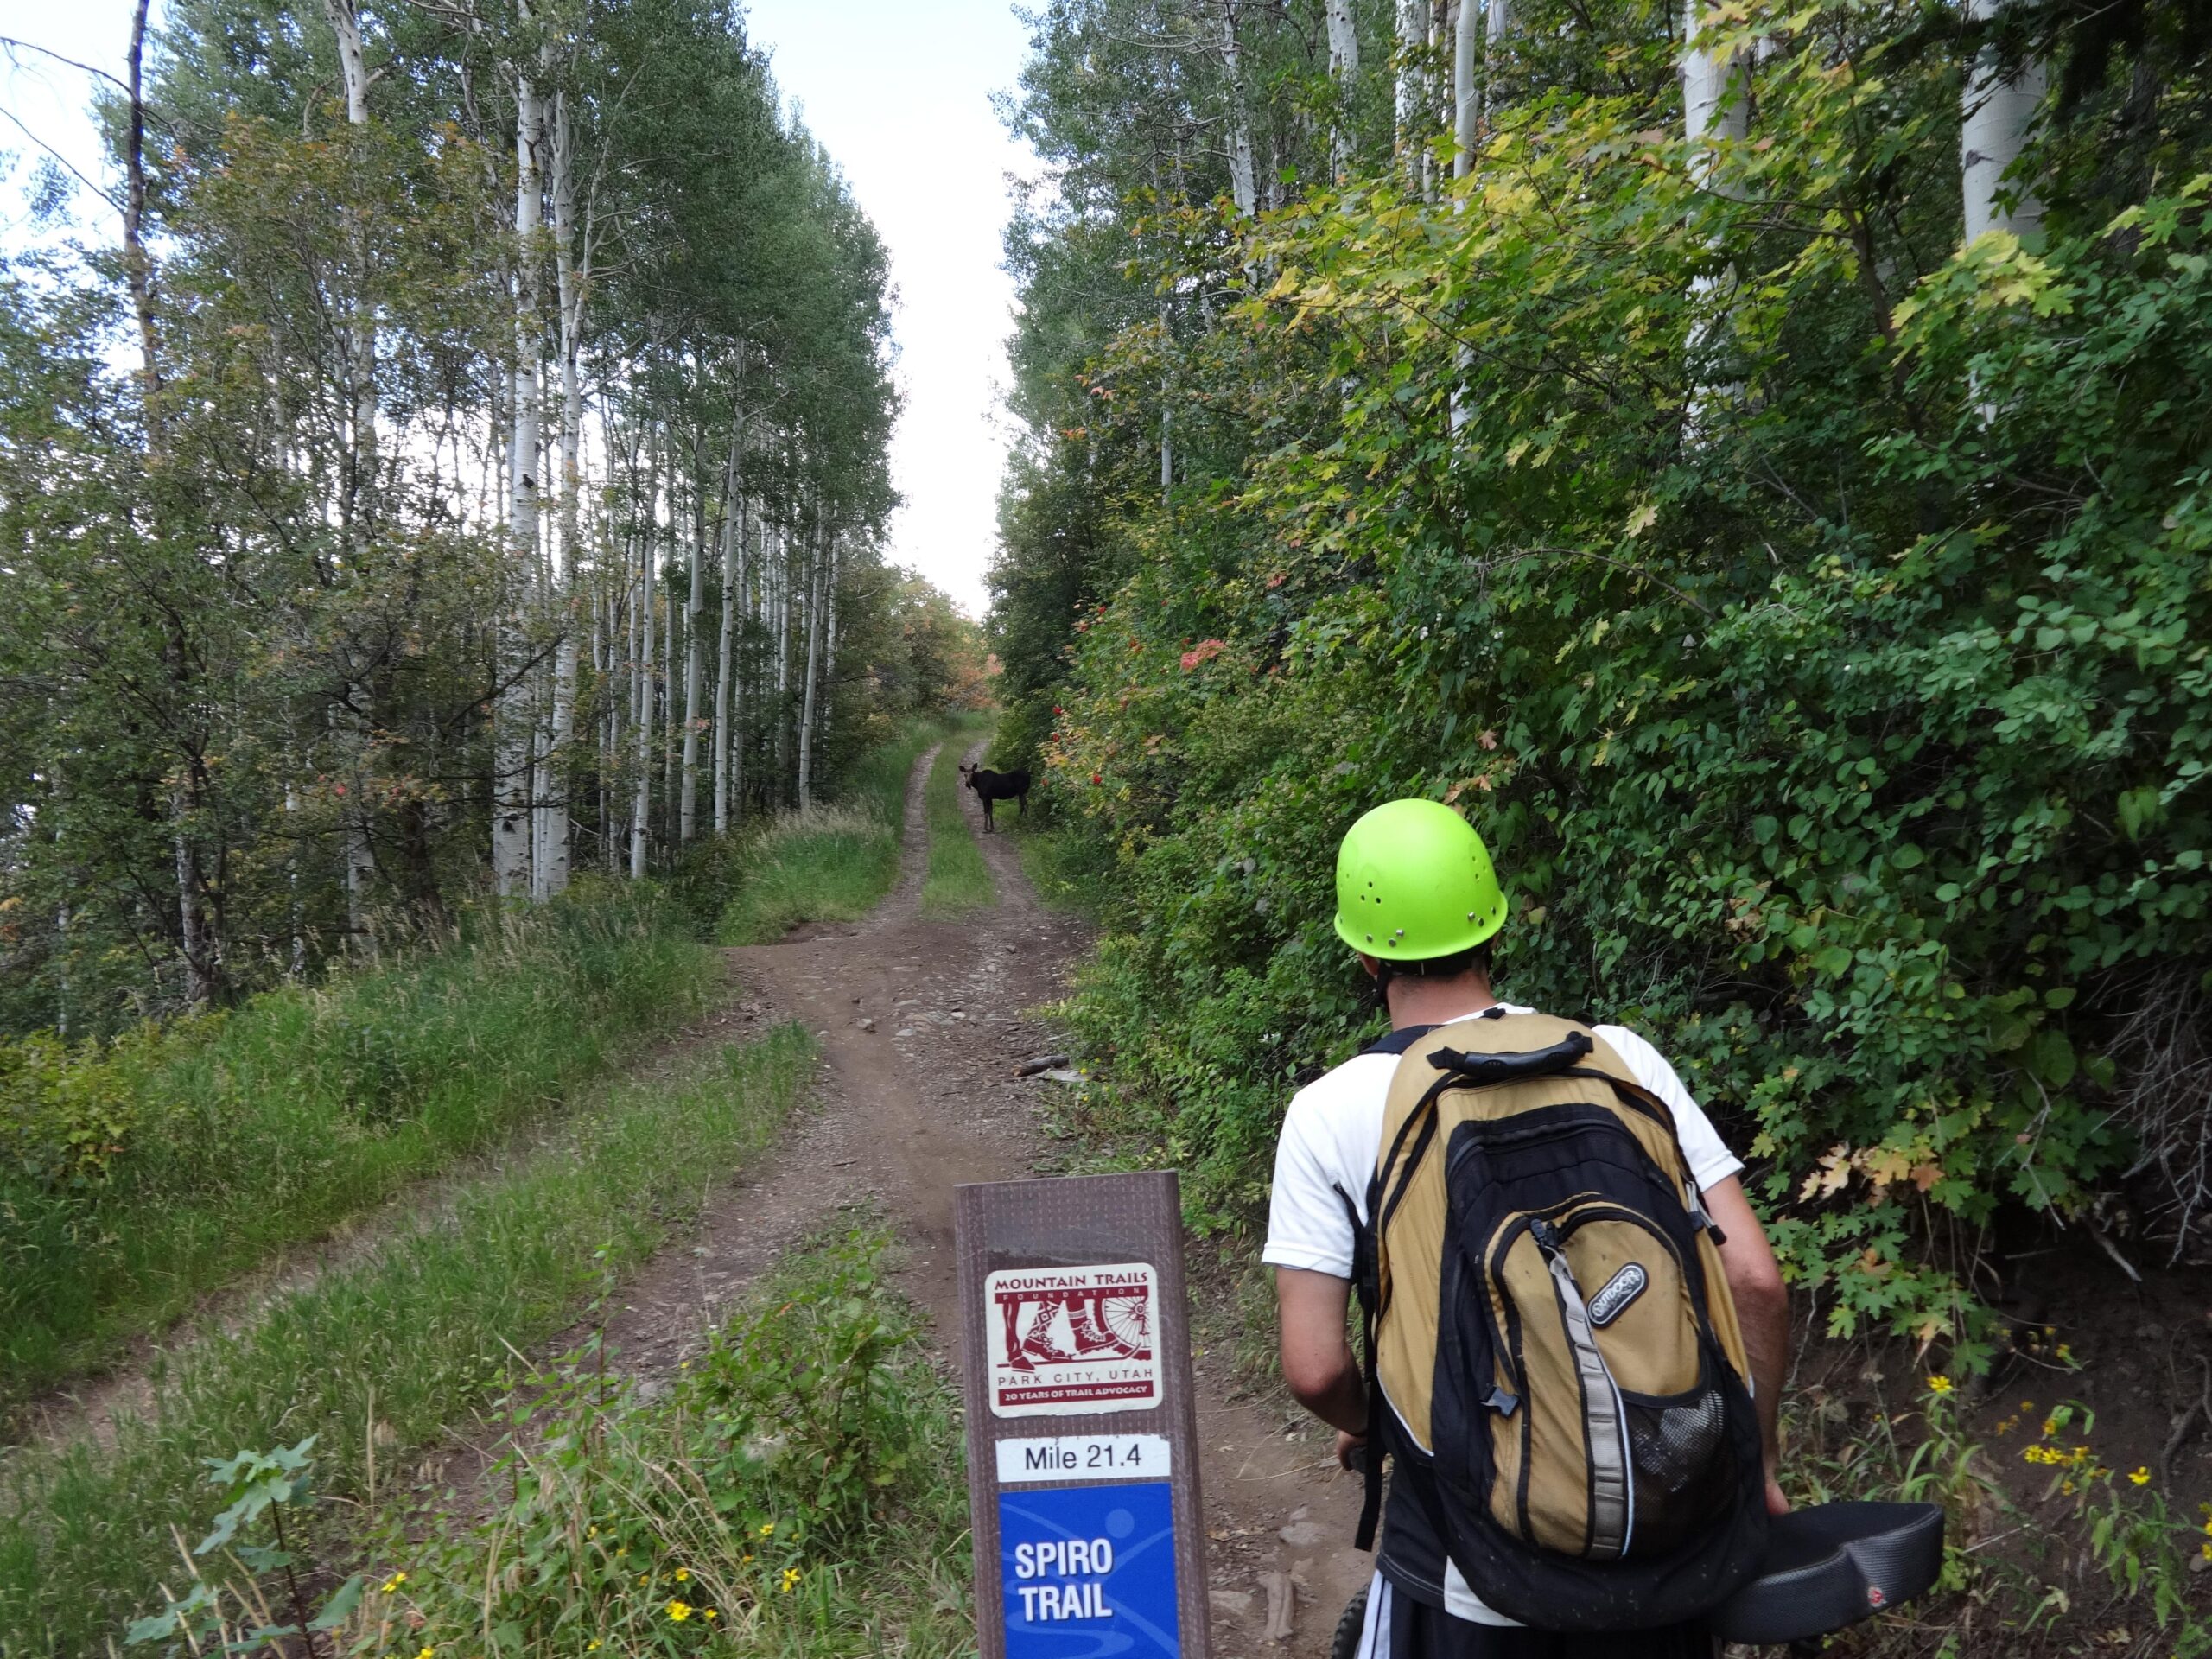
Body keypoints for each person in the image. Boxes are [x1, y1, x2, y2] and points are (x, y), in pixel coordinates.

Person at [1266, 798, 1791, 1659]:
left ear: (1361, 952)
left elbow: (1315, 1365)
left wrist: (1374, 1420)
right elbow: (1754, 1282)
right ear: (1494, 929)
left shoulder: (1328, 1113)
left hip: (1464, 1575)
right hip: (1664, 1560)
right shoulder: (1620, 1057)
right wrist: (1755, 1463)